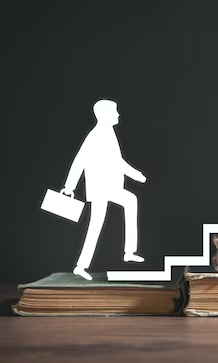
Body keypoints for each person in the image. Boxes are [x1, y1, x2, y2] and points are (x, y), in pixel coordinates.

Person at [61, 99, 146, 280]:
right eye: (115, 112)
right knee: (99, 222)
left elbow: (115, 160)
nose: (118, 114)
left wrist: (134, 174)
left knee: (106, 217)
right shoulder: (98, 134)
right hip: (101, 187)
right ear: (105, 115)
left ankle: (127, 252)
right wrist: (69, 186)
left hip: (107, 186)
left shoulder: (106, 132)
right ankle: (84, 264)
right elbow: (80, 160)